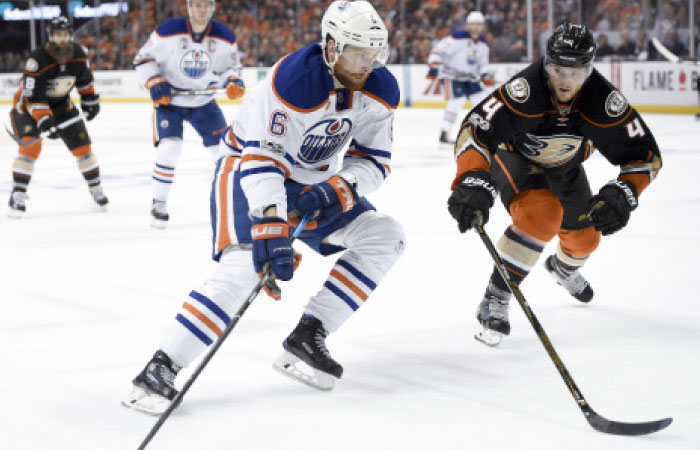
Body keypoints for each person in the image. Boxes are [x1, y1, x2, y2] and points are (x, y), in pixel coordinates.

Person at [123, 0, 405, 415]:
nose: (368, 64)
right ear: (330, 47)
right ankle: (161, 367)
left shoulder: (381, 89)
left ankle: (310, 335)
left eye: (374, 53)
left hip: (312, 182)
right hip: (247, 168)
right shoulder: (293, 82)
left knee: (386, 235)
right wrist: (273, 223)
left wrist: (338, 188)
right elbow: (263, 162)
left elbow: (374, 161)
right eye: (358, 52)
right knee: (245, 266)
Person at [446, 23, 662, 347]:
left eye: (576, 73)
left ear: (589, 70)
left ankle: (562, 269)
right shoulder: (526, 90)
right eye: (559, 70)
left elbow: (645, 156)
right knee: (542, 214)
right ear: (547, 64)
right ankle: (496, 296)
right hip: (516, 158)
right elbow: (475, 131)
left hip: (565, 166)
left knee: (587, 238)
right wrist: (472, 178)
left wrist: (624, 192)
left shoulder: (602, 100)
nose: (566, 81)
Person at [133, 0, 245, 228]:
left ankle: (237, 203)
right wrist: (155, 82)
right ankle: (159, 203)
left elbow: (231, 68)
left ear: (212, 8)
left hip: (204, 102)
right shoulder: (168, 31)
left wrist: (233, 81)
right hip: (171, 102)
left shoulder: (224, 36)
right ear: (189, 7)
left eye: (207, 5)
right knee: (170, 149)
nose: (202, 10)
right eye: (197, 5)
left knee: (225, 152)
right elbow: (143, 59)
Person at [7, 16, 107, 217]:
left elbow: (84, 80)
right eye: (57, 35)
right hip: (27, 109)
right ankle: (17, 194)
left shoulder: (78, 54)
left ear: (70, 35)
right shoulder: (37, 59)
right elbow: (33, 96)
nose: (62, 39)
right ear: (50, 37)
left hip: (61, 106)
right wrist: (44, 119)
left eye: (65, 34)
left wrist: (89, 100)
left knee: (84, 149)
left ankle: (96, 189)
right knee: (31, 146)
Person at [427, 11, 494, 146]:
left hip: (470, 78)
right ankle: (444, 133)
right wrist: (434, 65)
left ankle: (483, 133)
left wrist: (485, 75)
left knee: (482, 102)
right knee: (456, 102)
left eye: (479, 24)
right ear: (468, 25)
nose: (476, 27)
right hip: (453, 77)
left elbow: (482, 65)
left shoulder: (483, 44)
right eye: (473, 24)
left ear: (482, 26)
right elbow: (438, 51)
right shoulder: (457, 38)